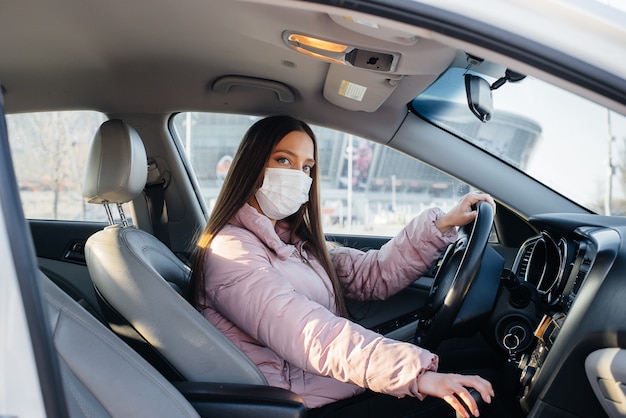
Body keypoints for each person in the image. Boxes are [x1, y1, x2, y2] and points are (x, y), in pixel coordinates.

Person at [187, 115, 497, 417]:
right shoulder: (232, 252)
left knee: (478, 364)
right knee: (492, 393)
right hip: (301, 404)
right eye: (284, 160)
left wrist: (441, 225)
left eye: (307, 166)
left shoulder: (293, 242)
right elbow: (307, 333)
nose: (298, 175)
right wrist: (415, 374)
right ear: (251, 166)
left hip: (329, 387)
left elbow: (370, 275)